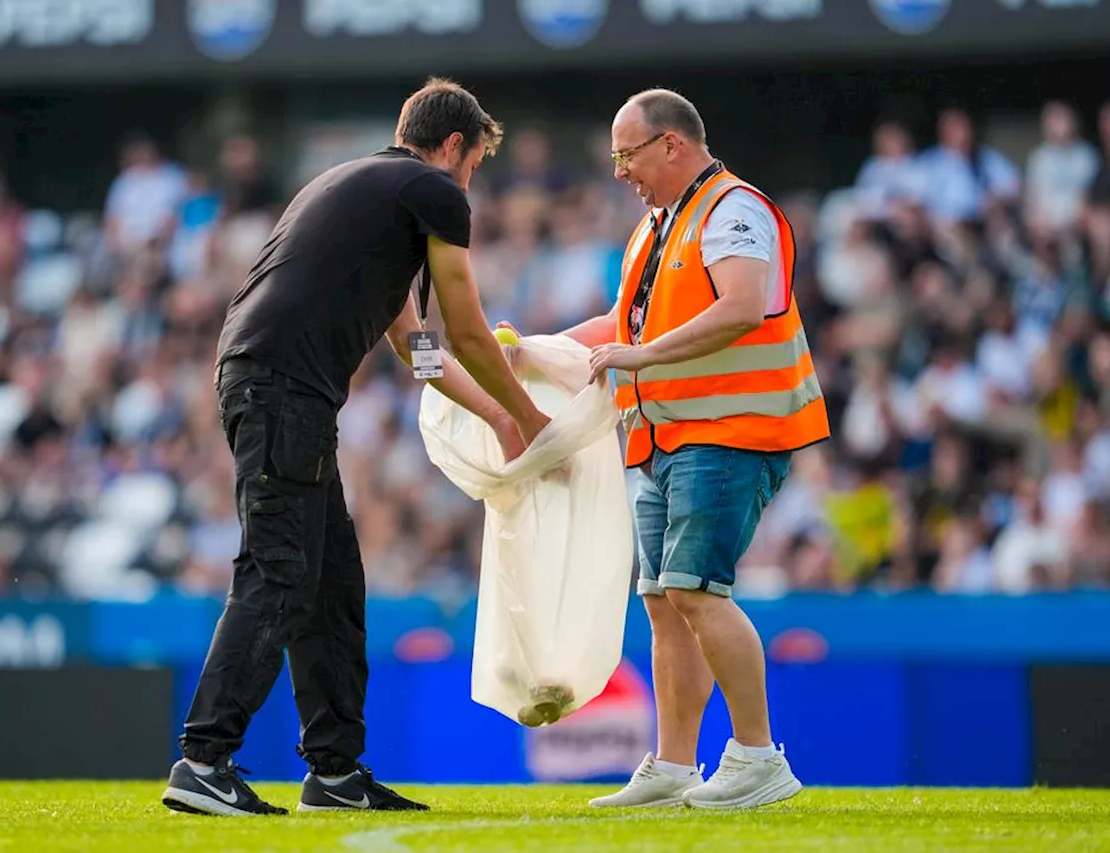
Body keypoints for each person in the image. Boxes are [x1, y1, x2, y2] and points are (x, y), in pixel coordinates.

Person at [162, 78, 551, 817]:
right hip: (284, 392)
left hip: (270, 386)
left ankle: (333, 774)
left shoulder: (360, 185)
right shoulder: (433, 191)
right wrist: (530, 416)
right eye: (473, 165)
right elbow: (465, 330)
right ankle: (204, 760)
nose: (470, 184)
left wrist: (495, 418)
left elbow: (415, 343)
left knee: (331, 583)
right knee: (278, 573)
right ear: (454, 146)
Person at [510, 89, 830, 810]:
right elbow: (624, 328)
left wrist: (641, 354)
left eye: (627, 154)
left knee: (694, 591)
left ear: (671, 145)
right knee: (662, 601)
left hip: (731, 430)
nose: (620, 171)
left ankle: (757, 755)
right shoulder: (655, 226)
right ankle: (675, 765)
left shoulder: (735, 209)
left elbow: (743, 305)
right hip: (664, 438)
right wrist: (535, 351)